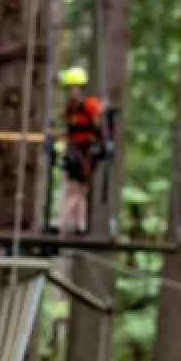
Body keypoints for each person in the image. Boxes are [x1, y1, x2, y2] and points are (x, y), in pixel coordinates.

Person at [58, 66, 109, 235]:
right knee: (75, 188)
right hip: (75, 150)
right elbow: (71, 129)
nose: (71, 92)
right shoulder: (71, 108)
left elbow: (99, 127)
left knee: (78, 189)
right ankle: (80, 225)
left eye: (73, 88)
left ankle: (63, 223)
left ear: (80, 88)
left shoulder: (90, 105)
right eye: (69, 89)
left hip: (87, 151)